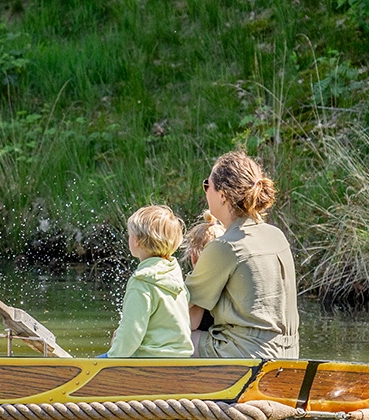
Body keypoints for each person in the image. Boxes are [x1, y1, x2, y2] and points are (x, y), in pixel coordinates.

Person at [186, 150, 300, 359]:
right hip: (289, 356)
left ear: (222, 196)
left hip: (247, 357)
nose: (205, 191)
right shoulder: (277, 235)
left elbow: (184, 314)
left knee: (168, 339)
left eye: (207, 185)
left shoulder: (225, 246)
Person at [106, 205, 194, 358]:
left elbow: (132, 332)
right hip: (180, 360)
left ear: (137, 241)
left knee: (92, 368)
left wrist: (112, 357)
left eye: (130, 235)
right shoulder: (175, 275)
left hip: (149, 360)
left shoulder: (141, 281)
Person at [181, 209, 224, 333]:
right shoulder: (227, 277)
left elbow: (192, 323)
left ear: (193, 255)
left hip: (209, 341)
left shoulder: (202, 283)